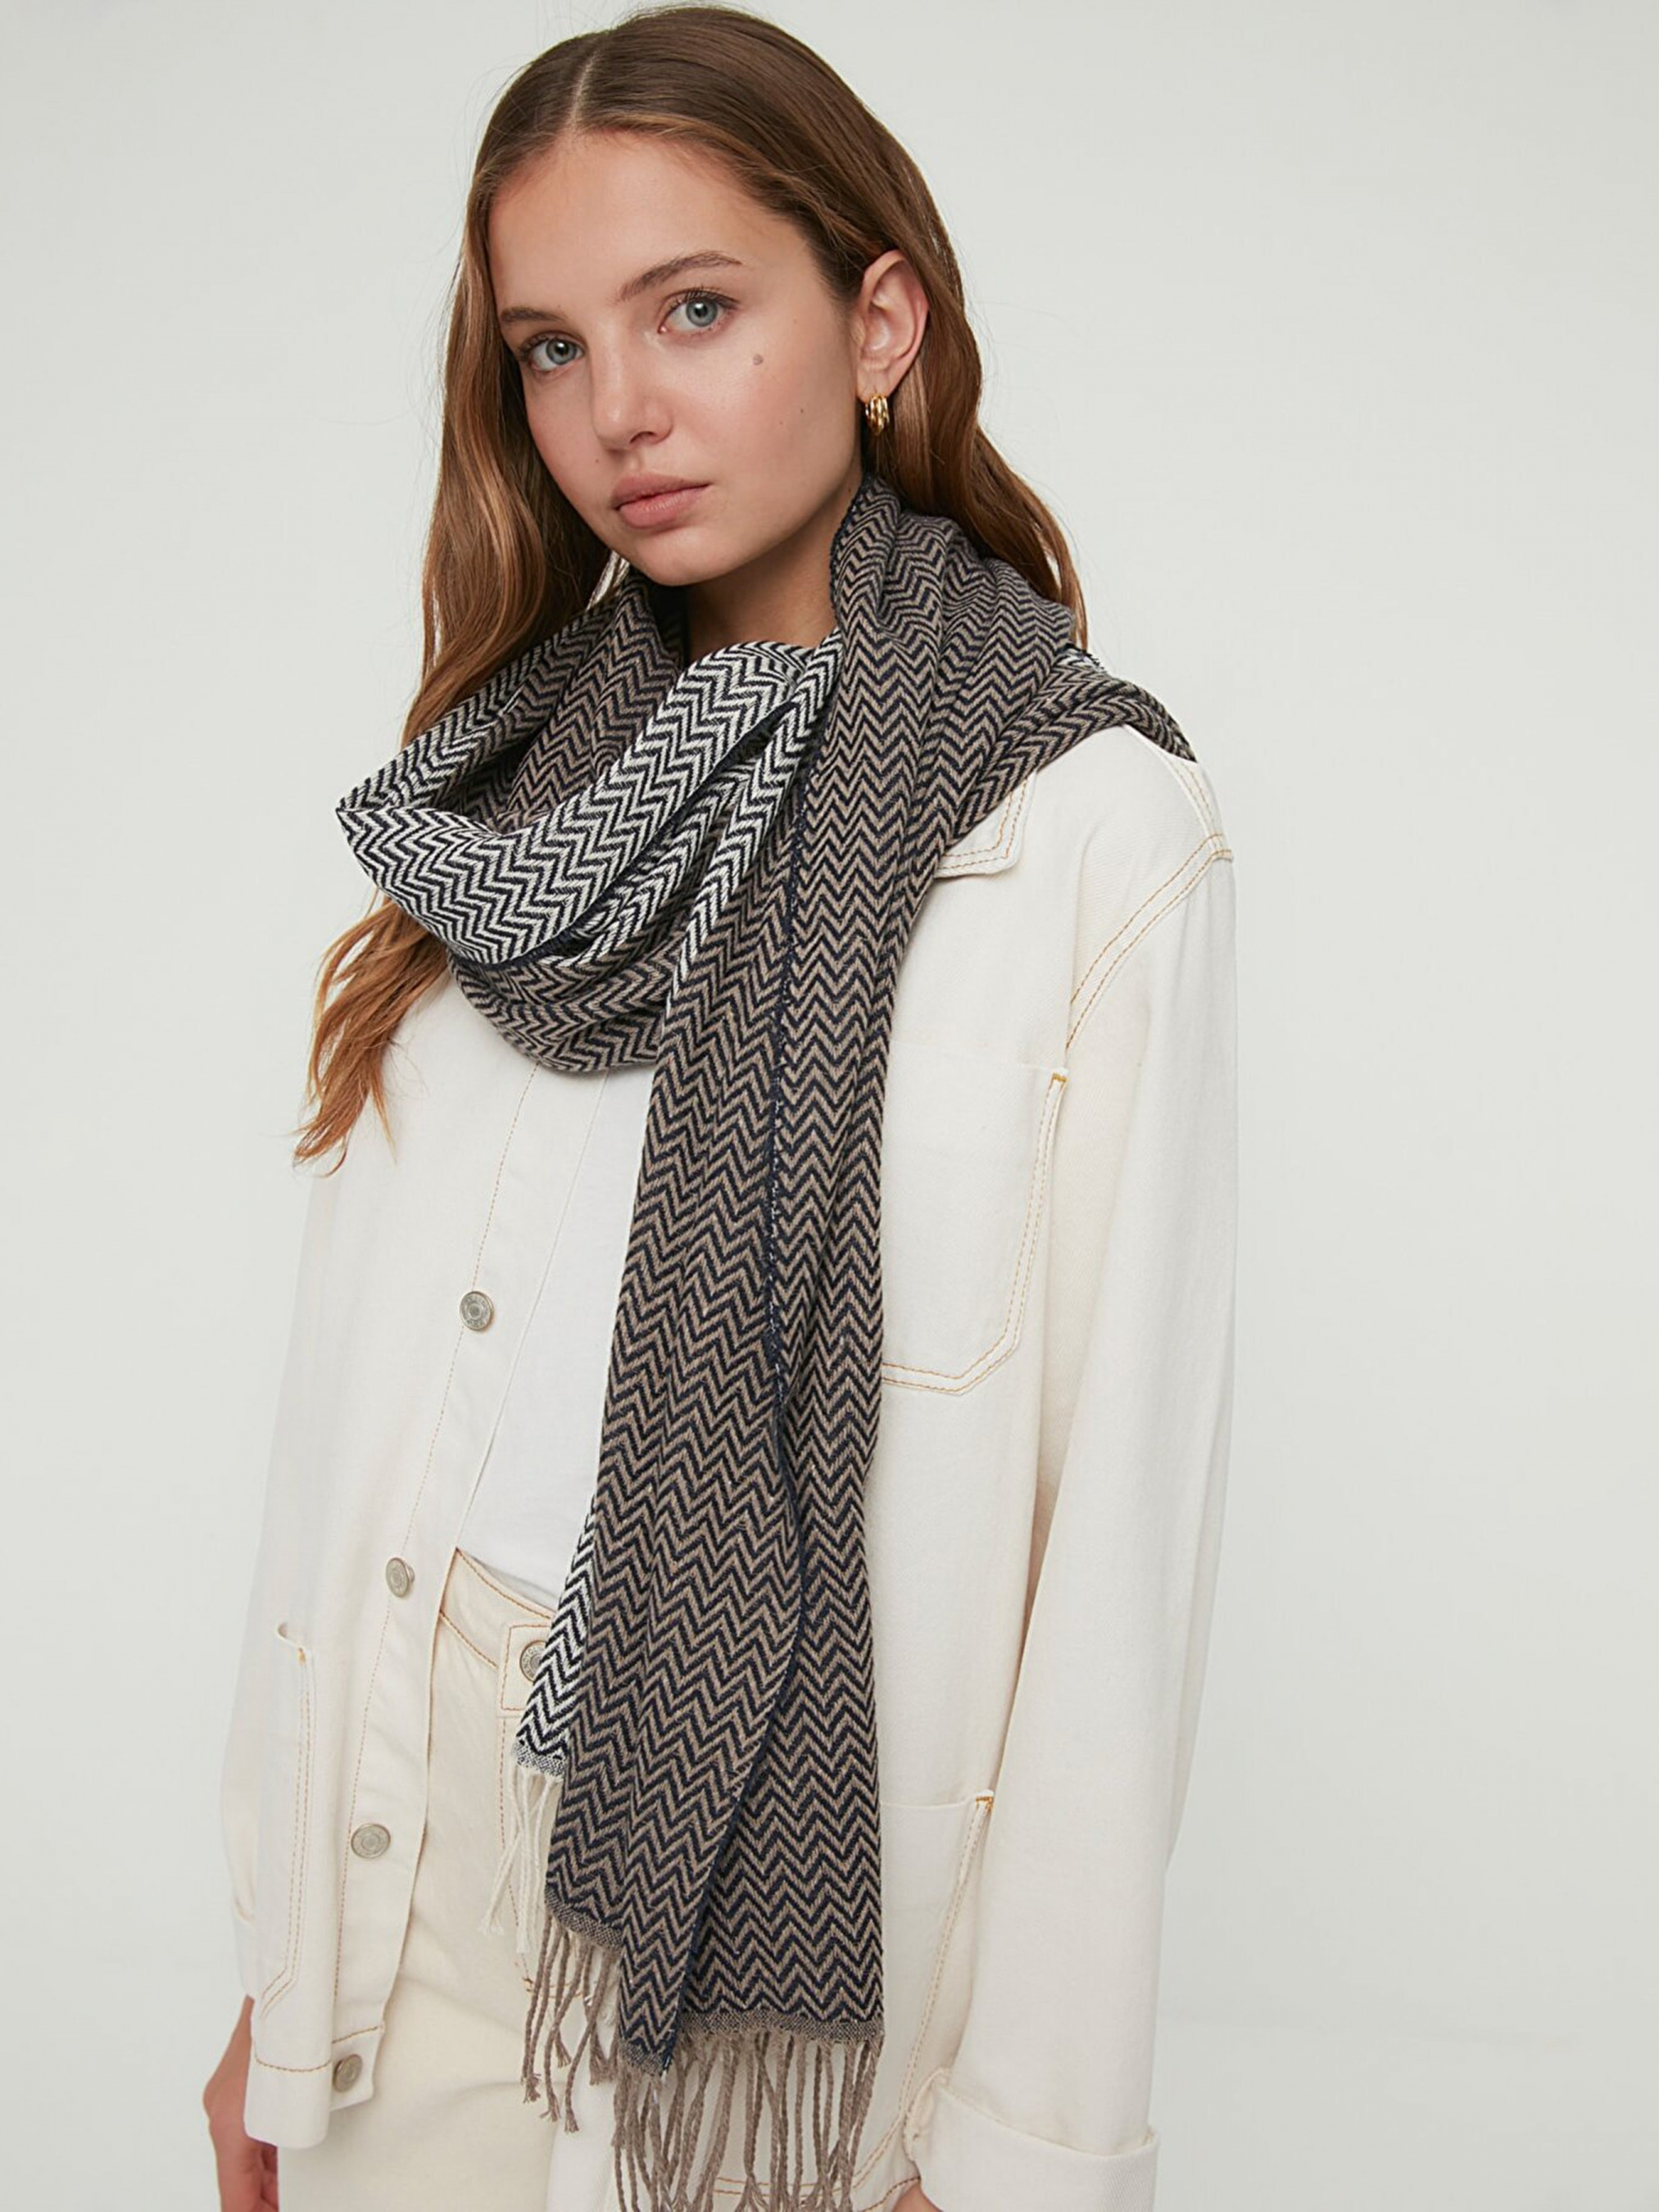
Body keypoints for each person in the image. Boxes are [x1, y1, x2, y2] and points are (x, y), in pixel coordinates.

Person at [201, 7, 1239, 2210]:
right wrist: (277, 1974)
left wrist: (1026, 2154)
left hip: (789, 1949)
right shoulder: (507, 809)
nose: (620, 412)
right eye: (550, 349)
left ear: (880, 322)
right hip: (400, 1875)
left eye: (692, 309)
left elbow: (1114, 1555)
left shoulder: (1083, 836)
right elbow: (361, 1420)